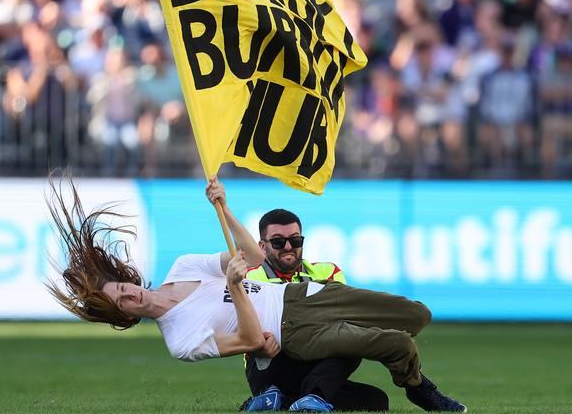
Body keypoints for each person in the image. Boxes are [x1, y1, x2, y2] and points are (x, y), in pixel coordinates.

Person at [47, 175, 467, 413]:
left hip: (304, 295)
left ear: (130, 277)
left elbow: (250, 253)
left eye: (124, 287)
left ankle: (293, 399)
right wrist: (234, 285)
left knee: (416, 315)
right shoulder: (180, 341)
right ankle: (416, 387)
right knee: (394, 343)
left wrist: (224, 207)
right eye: (122, 302)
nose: (130, 295)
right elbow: (251, 340)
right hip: (292, 334)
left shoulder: (182, 268)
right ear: (126, 316)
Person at [240, 208, 389, 412]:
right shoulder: (249, 278)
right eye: (278, 242)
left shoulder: (328, 272)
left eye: (295, 240)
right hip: (271, 363)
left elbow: (340, 321)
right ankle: (296, 396)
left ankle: (298, 399)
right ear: (262, 247)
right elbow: (245, 331)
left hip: (314, 364)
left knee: (376, 400)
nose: (288, 247)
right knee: (266, 344)